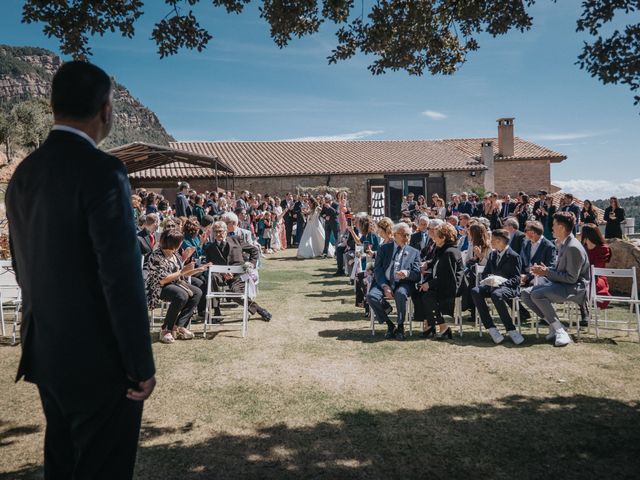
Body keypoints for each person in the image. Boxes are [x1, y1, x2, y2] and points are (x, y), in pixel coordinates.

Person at [6, 61, 155, 479]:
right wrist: (140, 364)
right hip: (99, 360)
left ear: (52, 106)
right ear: (107, 110)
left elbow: (23, 267)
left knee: (63, 463)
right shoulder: (103, 171)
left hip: (46, 351)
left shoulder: (23, 175)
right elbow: (120, 275)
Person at [520, 212, 590, 347]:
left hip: (575, 288)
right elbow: (561, 272)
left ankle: (560, 331)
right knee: (525, 294)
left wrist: (546, 272)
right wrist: (546, 271)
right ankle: (556, 325)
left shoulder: (572, 247)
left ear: (562, 227)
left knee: (537, 294)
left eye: (553, 225)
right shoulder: (565, 244)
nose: (551, 228)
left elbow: (571, 278)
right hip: (562, 285)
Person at [145, 229, 206, 343]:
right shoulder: (156, 256)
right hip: (159, 287)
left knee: (197, 292)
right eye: (180, 242)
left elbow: (181, 273)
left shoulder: (175, 254)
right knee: (181, 295)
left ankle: (178, 326)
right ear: (174, 243)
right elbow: (162, 280)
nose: (181, 244)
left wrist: (198, 269)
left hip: (175, 283)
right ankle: (166, 329)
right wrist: (183, 271)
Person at [204, 221, 272, 321]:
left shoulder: (236, 240)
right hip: (220, 276)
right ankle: (216, 310)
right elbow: (209, 264)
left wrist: (251, 264)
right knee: (212, 277)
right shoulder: (209, 247)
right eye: (215, 232)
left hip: (238, 276)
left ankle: (259, 309)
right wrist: (223, 272)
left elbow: (254, 250)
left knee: (236, 294)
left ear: (226, 231)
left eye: (220, 231)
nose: (218, 234)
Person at [366, 223, 421, 340]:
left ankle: (400, 327)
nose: (407, 238)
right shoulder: (384, 248)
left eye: (408, 235)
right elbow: (378, 270)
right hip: (384, 281)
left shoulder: (414, 252)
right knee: (371, 297)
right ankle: (390, 325)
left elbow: (417, 275)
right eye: (403, 235)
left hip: (403, 283)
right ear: (395, 235)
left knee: (400, 294)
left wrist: (407, 274)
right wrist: (385, 286)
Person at [471, 229, 524, 345]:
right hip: (492, 285)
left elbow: (516, 279)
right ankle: (491, 328)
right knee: (475, 291)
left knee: (496, 294)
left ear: (499, 241)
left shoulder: (514, 256)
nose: (490, 241)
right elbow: (485, 273)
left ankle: (511, 329)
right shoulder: (493, 254)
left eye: (493, 239)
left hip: (508, 288)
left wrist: (500, 283)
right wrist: (489, 280)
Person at [415, 223, 463, 339]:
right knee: (418, 292)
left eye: (436, 236)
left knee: (428, 296)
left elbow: (446, 278)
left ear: (443, 238)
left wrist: (429, 284)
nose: (433, 238)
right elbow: (436, 261)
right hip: (442, 283)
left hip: (450, 286)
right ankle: (429, 325)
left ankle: (443, 327)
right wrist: (427, 264)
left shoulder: (450, 252)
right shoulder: (441, 248)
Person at [518, 220, 557, 321]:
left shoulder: (549, 246)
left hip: (541, 278)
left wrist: (529, 276)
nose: (524, 232)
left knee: (532, 290)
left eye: (526, 230)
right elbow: (521, 261)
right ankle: (523, 312)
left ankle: (547, 318)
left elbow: (550, 266)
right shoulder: (525, 243)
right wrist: (521, 275)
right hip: (525, 277)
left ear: (533, 233)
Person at [581, 223, 612, 309]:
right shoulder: (583, 248)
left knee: (587, 285)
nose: (580, 235)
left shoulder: (603, 249)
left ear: (587, 235)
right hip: (583, 276)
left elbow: (597, 267)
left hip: (598, 278)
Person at [321, 194, 340, 258]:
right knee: (327, 238)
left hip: (334, 223)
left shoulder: (336, 204)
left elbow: (337, 213)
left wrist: (330, 207)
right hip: (327, 223)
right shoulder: (324, 205)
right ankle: (325, 253)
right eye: (325, 199)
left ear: (330, 199)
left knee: (336, 238)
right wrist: (325, 217)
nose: (325, 200)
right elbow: (322, 214)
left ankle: (337, 253)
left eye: (326, 199)